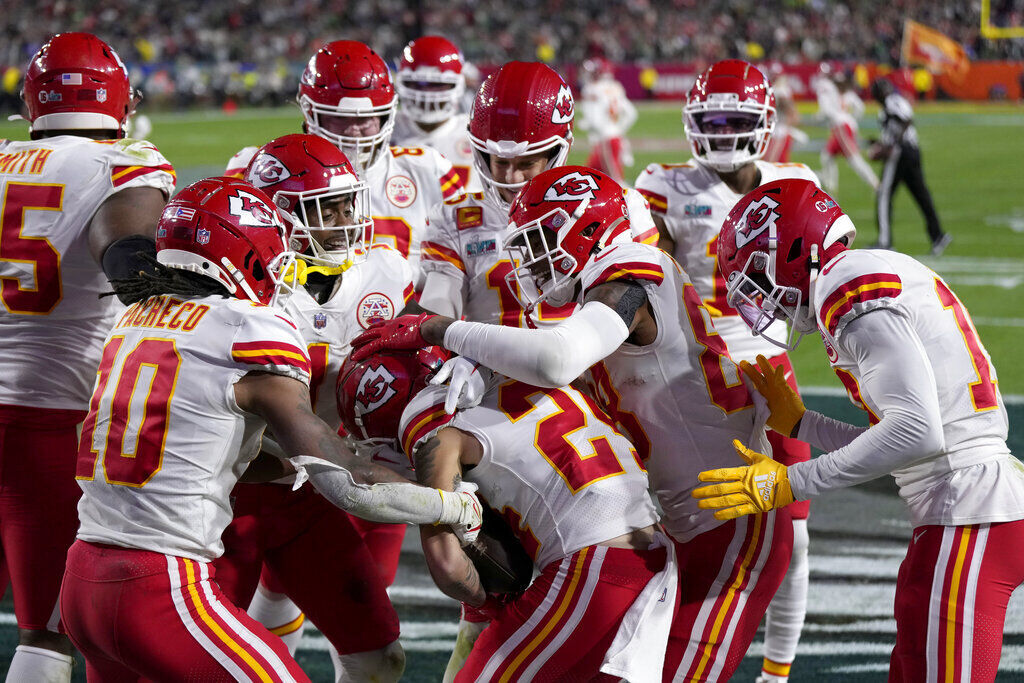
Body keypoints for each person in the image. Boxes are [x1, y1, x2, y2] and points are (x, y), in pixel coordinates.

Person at [351, 166, 795, 683]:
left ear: (588, 231)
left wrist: (439, 328)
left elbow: (557, 359)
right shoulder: (591, 295)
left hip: (731, 516)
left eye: (541, 241)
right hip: (674, 519)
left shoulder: (630, 273)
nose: (532, 262)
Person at [59, 176, 482, 681]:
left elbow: (195, 446)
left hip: (82, 577)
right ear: (244, 257)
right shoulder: (245, 329)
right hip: (162, 586)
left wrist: (285, 468)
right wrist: (451, 504)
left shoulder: (134, 321)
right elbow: (349, 482)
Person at [697, 177, 1024, 682]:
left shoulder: (844, 285)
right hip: (955, 506)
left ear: (795, 248)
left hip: (969, 510)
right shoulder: (858, 276)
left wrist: (790, 483)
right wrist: (805, 423)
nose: (761, 297)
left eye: (757, 275)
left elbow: (916, 433)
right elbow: (905, 445)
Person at [0, 32, 175, 682]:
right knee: (50, 631)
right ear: (120, 102)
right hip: (58, 417)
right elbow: (132, 262)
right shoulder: (120, 163)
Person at [337, 348, 677, 682]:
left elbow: (448, 567)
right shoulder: (528, 366)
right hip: (657, 558)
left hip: (594, 573)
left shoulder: (437, 430)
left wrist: (485, 600)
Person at [635, 59, 816, 683]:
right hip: (689, 377)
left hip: (767, 365)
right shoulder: (662, 184)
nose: (718, 132)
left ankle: (776, 672)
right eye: (710, 119)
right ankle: (660, 651)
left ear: (763, 123)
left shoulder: (796, 178)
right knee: (673, 524)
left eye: (733, 121)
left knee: (793, 530)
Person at [214, 134, 414, 680]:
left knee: (379, 657)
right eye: (328, 209)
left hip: (311, 492)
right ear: (276, 215)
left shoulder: (383, 274)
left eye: (348, 204)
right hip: (229, 495)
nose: (345, 221)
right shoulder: (237, 288)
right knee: (213, 666)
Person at [415, 60, 658, 329]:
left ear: (556, 153)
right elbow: (438, 315)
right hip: (488, 368)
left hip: (591, 368)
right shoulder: (454, 219)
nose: (512, 178)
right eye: (500, 163)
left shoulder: (619, 209)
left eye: (526, 163)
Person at [226, 40, 463, 288]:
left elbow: (465, 261)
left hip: (408, 316)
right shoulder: (264, 168)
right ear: (310, 113)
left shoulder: (427, 169)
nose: (353, 131)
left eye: (365, 120)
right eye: (339, 119)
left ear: (385, 116)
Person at [869, 78, 949, 255]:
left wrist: (890, 146)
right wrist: (881, 143)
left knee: (884, 194)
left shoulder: (890, 103)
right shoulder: (898, 100)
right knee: (921, 194)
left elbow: (905, 120)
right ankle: (937, 235)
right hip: (912, 150)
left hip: (900, 152)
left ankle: (885, 241)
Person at [392, 35, 481, 193]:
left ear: (459, 84)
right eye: (417, 84)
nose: (426, 94)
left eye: (437, 85)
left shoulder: (477, 133)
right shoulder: (386, 129)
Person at [813, 64, 878, 193]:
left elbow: (826, 110)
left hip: (841, 126)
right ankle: (831, 186)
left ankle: (875, 184)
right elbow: (860, 108)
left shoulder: (826, 87)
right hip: (844, 125)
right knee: (826, 156)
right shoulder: (846, 93)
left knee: (854, 158)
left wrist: (821, 118)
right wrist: (851, 119)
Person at [578, 57, 638, 185]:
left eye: (592, 72)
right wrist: (618, 131)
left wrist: (586, 124)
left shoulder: (592, 89)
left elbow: (594, 120)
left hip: (606, 141)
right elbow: (631, 113)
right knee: (588, 178)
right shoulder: (615, 86)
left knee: (617, 184)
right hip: (611, 139)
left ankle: (636, 204)